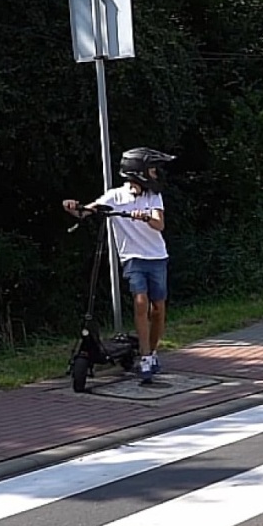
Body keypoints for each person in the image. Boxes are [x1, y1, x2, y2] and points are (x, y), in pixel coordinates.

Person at [64, 147, 176, 383]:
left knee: (158, 309)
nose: (156, 175)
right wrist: (75, 208)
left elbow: (159, 224)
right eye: (153, 171)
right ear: (140, 172)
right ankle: (145, 357)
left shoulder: (153, 197)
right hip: (133, 257)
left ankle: (153, 352)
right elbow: (88, 211)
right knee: (140, 302)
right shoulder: (115, 197)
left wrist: (144, 217)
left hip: (156, 256)